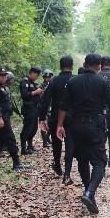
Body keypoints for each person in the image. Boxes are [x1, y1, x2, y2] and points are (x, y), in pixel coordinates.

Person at [57, 53, 110, 214]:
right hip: (95, 126)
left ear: (85, 63)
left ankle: (89, 193)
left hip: (76, 126)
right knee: (100, 162)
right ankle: (90, 192)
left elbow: (63, 106)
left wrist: (59, 125)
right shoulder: (103, 81)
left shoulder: (72, 81)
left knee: (82, 159)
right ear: (99, 66)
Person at [39, 57, 75, 185]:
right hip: (71, 118)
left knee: (56, 143)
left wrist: (42, 117)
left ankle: (57, 164)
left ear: (60, 66)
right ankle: (67, 174)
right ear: (72, 66)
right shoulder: (75, 80)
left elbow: (45, 100)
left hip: (55, 117)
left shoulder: (54, 81)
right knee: (70, 144)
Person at [0, 67, 26, 170]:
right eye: (1, 75)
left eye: (5, 75)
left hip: (5, 118)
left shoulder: (2, 86)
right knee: (10, 139)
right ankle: (16, 163)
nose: (3, 77)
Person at [19, 67, 44, 155]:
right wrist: (36, 92)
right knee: (27, 128)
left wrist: (39, 93)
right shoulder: (24, 81)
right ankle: (23, 148)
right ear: (32, 73)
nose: (36, 77)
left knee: (34, 128)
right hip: (28, 109)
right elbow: (24, 95)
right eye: (36, 75)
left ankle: (30, 146)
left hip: (34, 109)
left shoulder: (32, 83)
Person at [39, 69, 54, 148]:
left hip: (52, 107)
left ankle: (48, 138)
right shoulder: (41, 86)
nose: (48, 78)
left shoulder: (53, 85)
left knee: (51, 125)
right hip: (43, 107)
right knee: (43, 125)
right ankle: (45, 142)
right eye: (46, 77)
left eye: (49, 77)